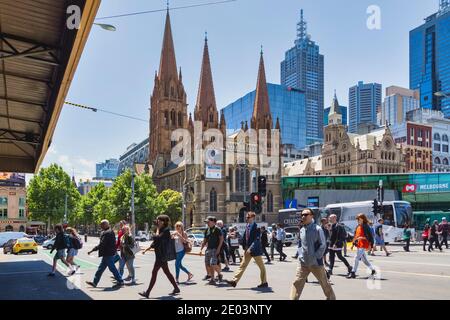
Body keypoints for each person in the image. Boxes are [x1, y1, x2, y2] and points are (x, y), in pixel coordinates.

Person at [290, 208, 336, 300]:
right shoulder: (302, 230)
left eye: (306, 214)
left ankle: (331, 298)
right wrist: (300, 256)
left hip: (316, 263)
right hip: (303, 263)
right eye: (302, 215)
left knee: (324, 283)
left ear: (311, 216)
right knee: (297, 282)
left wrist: (316, 257)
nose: (303, 216)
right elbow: (300, 245)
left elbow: (323, 245)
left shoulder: (317, 229)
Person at [139, 215, 180, 298]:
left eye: (158, 221)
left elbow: (157, 238)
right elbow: (155, 243)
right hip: (159, 255)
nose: (156, 222)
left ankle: (147, 292)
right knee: (167, 272)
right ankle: (176, 288)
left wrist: (157, 230)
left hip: (161, 256)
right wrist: (146, 249)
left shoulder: (166, 230)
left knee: (154, 273)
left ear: (162, 222)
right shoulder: (162, 230)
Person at [225, 212, 268, 288]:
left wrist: (251, 248)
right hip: (247, 249)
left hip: (255, 250)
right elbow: (245, 238)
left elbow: (256, 240)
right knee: (242, 265)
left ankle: (264, 282)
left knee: (261, 267)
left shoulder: (257, 227)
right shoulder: (247, 226)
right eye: (246, 217)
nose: (246, 218)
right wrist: (237, 237)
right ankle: (234, 281)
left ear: (252, 218)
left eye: (248, 217)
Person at [86, 220, 124, 288]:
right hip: (108, 254)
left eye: (102, 225)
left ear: (105, 225)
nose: (101, 226)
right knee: (101, 269)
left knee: (112, 268)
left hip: (108, 254)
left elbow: (102, 244)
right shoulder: (109, 232)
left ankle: (120, 281)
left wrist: (92, 250)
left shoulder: (107, 233)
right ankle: (95, 282)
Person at [347, 214, 376, 279]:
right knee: (364, 260)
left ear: (362, 219)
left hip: (363, 244)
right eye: (357, 219)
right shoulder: (358, 226)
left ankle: (353, 272)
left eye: (359, 219)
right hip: (359, 244)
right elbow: (355, 236)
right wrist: (353, 244)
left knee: (356, 258)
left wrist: (371, 246)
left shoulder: (366, 226)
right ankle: (373, 270)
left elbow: (370, 236)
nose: (357, 220)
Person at [200, 216, 223, 285]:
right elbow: (205, 240)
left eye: (208, 222)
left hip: (215, 249)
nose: (207, 223)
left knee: (213, 264)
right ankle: (216, 276)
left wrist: (218, 249)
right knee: (208, 265)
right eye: (206, 222)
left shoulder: (217, 229)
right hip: (208, 249)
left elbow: (221, 239)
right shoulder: (207, 230)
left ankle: (216, 276)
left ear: (213, 222)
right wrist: (201, 248)